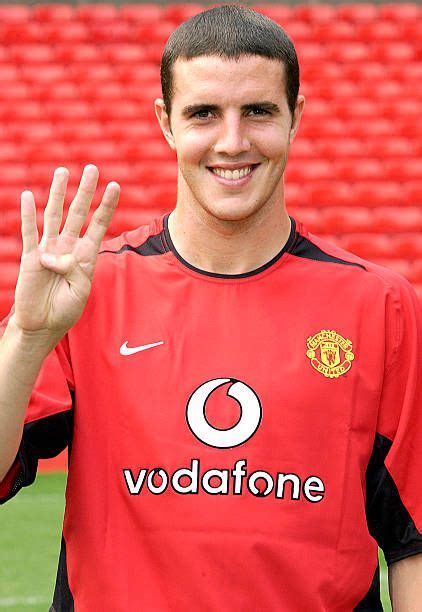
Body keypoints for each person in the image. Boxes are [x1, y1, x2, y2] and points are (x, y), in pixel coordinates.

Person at [0, 5, 421, 611]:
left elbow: (412, 539)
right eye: (203, 113)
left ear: (295, 118)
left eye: (258, 112)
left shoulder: (380, 306)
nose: (232, 141)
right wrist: (28, 338)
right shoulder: (87, 293)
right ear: (166, 122)